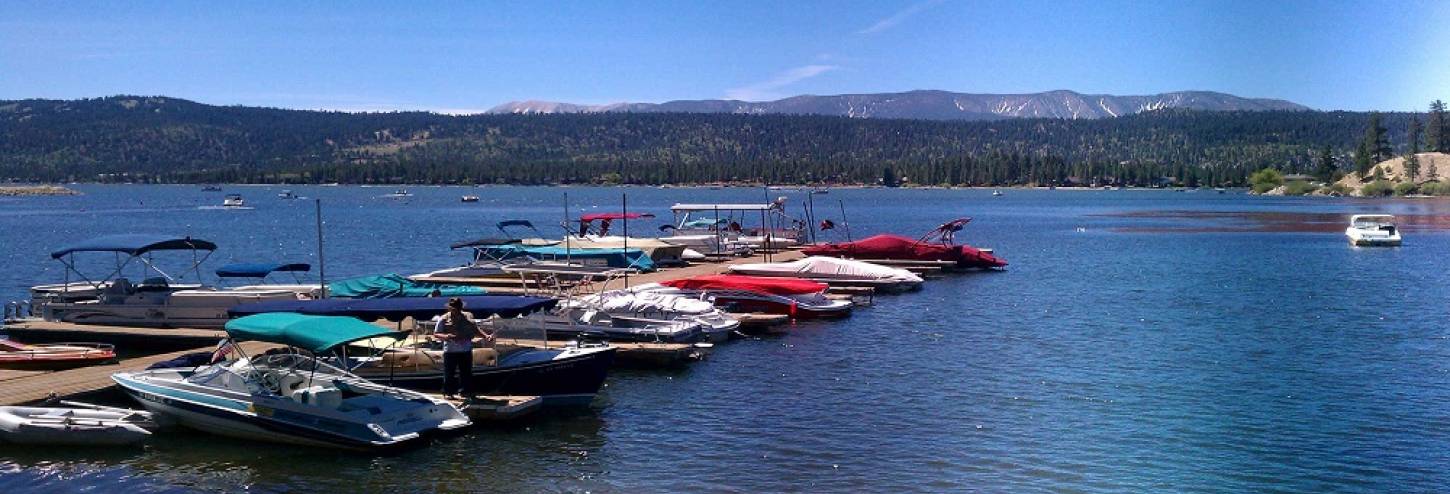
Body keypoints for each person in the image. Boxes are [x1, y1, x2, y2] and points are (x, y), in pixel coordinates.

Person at [431, 297, 494, 399]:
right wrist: (446, 337)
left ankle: (465, 392)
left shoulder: (468, 316)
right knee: (449, 373)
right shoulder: (443, 319)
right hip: (450, 351)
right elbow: (436, 334)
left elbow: (475, 329)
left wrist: (486, 336)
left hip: (466, 350)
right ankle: (448, 392)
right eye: (454, 309)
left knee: (466, 373)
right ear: (450, 308)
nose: (457, 311)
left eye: (458, 308)